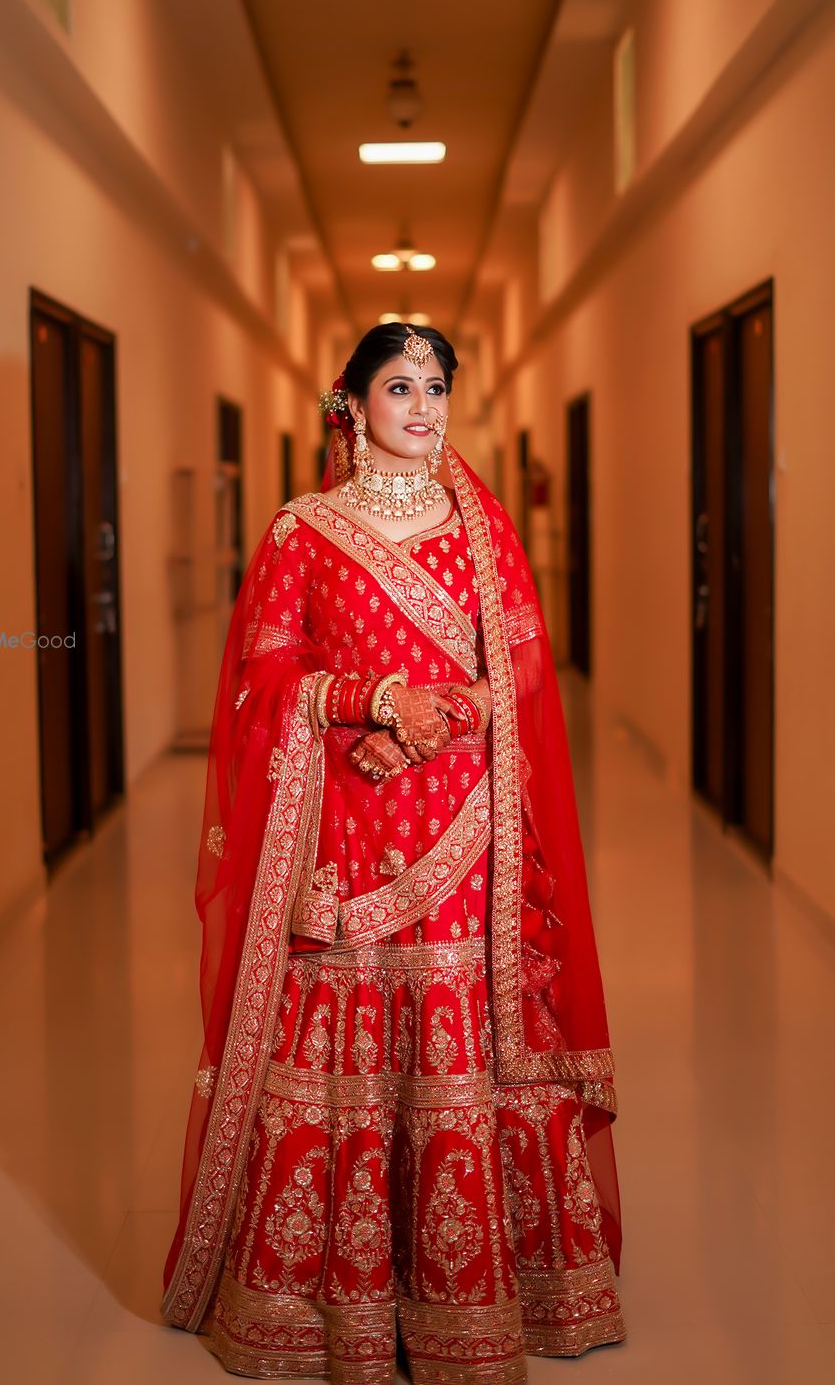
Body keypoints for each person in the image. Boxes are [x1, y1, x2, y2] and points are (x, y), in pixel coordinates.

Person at [161, 323, 626, 1380]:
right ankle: (338, 1301)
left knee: (463, 1031)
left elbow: (523, 675)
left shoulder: (481, 531)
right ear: (353, 404)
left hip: (464, 829)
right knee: (350, 1036)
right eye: (399, 386)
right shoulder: (299, 530)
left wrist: (443, 718)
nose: (422, 406)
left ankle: (470, 1297)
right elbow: (258, 679)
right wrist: (368, 700)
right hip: (345, 831)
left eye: (436, 387)